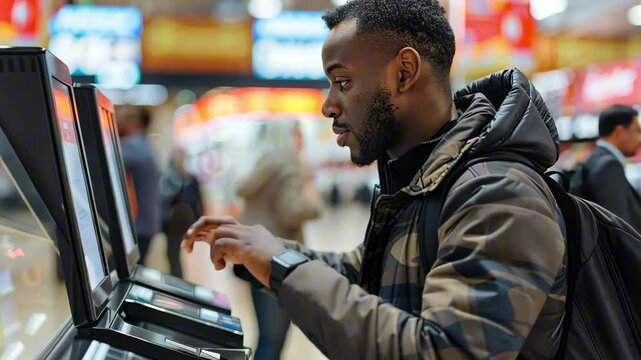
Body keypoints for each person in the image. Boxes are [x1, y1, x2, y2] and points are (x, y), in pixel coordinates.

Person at [183, 1, 566, 358]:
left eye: (343, 82)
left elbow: (444, 350)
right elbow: (360, 272)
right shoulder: (423, 182)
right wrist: (261, 248)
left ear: (404, 72)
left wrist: (281, 264)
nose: (327, 105)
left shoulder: (498, 194)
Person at [235, 121, 320, 360]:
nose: (302, 140)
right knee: (274, 339)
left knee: (266, 337)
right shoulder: (289, 163)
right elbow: (291, 212)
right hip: (277, 260)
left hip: (254, 256)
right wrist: (314, 202)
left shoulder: (265, 161)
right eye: (299, 134)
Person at [583, 105, 641, 231]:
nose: (639, 138)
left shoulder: (596, 160)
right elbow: (618, 229)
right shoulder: (608, 166)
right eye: (637, 131)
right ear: (619, 131)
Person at [117, 106, 162, 264]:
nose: (117, 121)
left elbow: (104, 160)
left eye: (123, 117)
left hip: (138, 225)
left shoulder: (132, 145)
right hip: (146, 222)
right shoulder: (143, 144)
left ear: (134, 122)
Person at [160, 147, 204, 278]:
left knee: (173, 252)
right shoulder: (171, 177)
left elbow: (198, 200)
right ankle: (176, 277)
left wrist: (199, 221)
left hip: (183, 222)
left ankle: (177, 278)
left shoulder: (191, 178)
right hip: (172, 222)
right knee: (172, 252)